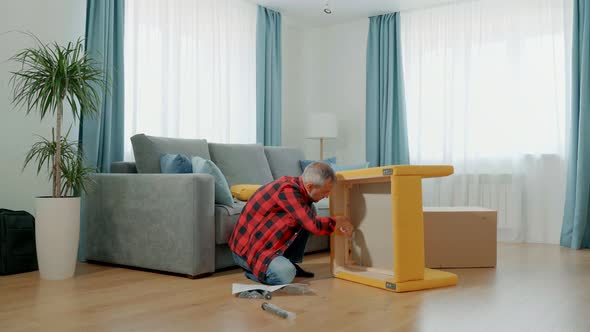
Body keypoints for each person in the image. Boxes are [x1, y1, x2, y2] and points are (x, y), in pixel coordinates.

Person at [228, 162, 353, 285]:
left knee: (308, 212)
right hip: (247, 251)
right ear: (309, 186)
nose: (327, 196)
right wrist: (340, 220)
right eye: (325, 192)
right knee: (285, 275)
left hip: (264, 244)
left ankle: (285, 261)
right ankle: (254, 271)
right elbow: (314, 225)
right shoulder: (287, 190)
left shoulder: (301, 193)